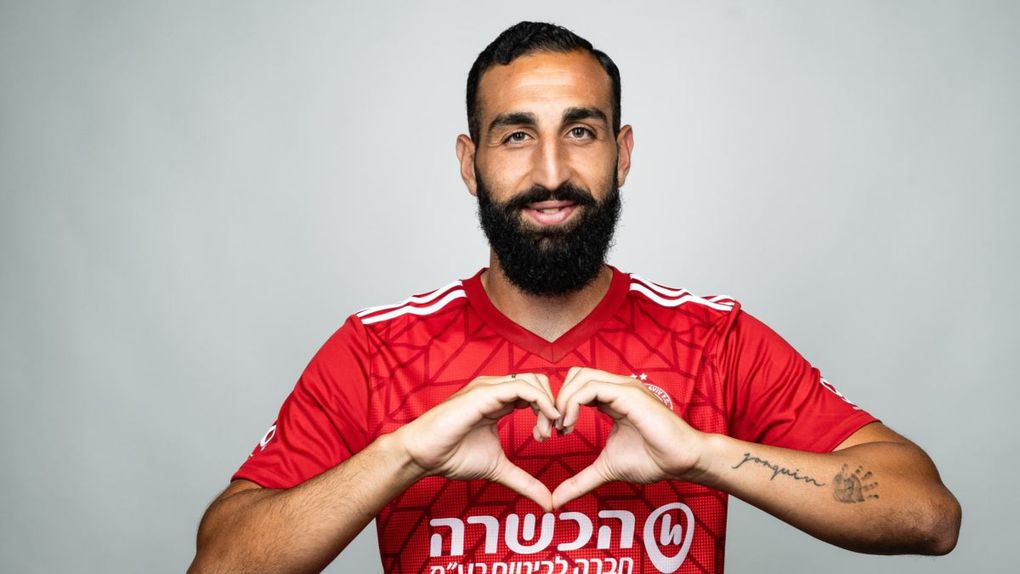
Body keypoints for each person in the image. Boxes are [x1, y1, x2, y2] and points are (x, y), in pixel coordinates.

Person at [188, 21, 960, 574]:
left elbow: (927, 515)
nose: (552, 172)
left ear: (622, 154)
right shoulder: (376, 350)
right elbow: (221, 559)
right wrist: (402, 455)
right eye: (516, 135)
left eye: (581, 132)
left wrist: (705, 456)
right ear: (470, 163)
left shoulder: (715, 339)